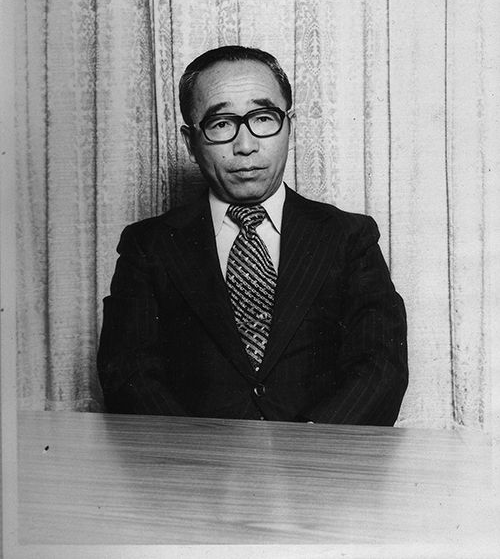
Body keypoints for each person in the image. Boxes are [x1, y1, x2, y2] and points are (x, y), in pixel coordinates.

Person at [97, 45, 408, 425]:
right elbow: (128, 373)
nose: (245, 146)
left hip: (319, 456)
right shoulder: (148, 246)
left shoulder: (349, 237)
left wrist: (307, 449)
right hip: (192, 459)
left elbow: (380, 367)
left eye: (263, 118)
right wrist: (198, 454)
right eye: (221, 124)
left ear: (290, 127)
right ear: (190, 142)